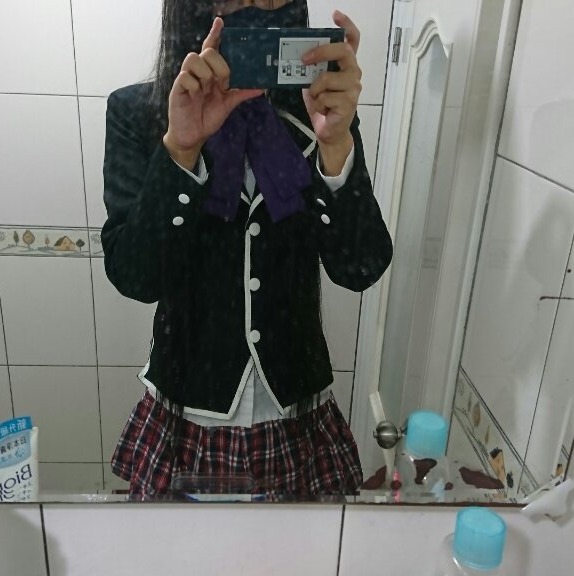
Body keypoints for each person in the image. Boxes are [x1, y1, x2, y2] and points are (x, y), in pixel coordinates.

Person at [102, 0, 393, 497]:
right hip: (187, 416)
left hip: (298, 418)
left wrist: (336, 144)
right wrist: (180, 150)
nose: (255, 9)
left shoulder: (318, 113)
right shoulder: (140, 114)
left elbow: (360, 267)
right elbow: (135, 276)